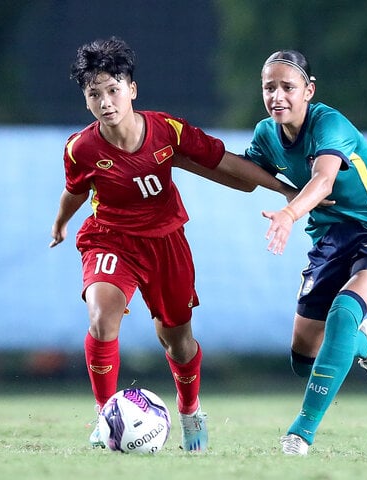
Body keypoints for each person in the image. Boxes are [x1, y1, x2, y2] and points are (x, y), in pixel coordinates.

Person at [49, 37, 295, 452]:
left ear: (132, 89)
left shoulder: (167, 130)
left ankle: (189, 410)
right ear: (86, 101)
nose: (106, 102)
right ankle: (105, 415)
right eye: (95, 94)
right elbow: (75, 189)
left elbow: (226, 163)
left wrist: (286, 191)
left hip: (165, 244)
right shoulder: (81, 148)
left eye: (113, 89)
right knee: (101, 317)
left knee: (178, 342)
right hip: (109, 238)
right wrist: (60, 223)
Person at [242, 50, 367, 455]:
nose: (278, 96)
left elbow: (322, 179)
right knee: (304, 359)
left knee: (345, 309)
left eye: (288, 87)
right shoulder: (266, 133)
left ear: (309, 90)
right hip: (329, 242)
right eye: (270, 88)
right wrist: (185, 156)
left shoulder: (329, 124)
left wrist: (288, 211)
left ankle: (300, 433)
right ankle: (360, 344)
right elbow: (244, 171)